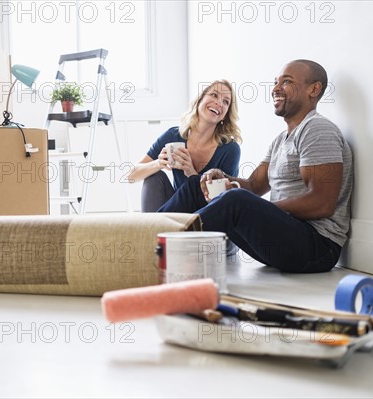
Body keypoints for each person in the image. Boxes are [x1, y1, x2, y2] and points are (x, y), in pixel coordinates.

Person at [159, 60, 353, 273]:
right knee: (199, 183)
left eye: (286, 82)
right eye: (276, 82)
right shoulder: (281, 139)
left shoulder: (317, 130)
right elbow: (253, 185)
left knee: (235, 200)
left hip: (317, 248)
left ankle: (158, 252)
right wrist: (223, 178)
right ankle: (146, 233)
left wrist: (256, 206)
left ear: (313, 89)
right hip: (284, 240)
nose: (276, 89)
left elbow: (322, 203)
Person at [127, 80, 242, 212]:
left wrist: (191, 173)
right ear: (199, 100)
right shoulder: (173, 136)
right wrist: (159, 163)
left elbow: (224, 202)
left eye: (226, 101)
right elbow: (130, 175)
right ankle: (153, 227)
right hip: (175, 209)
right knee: (154, 176)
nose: (219, 103)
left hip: (206, 215)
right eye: (214, 95)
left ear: (225, 115)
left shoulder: (230, 149)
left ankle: (156, 229)